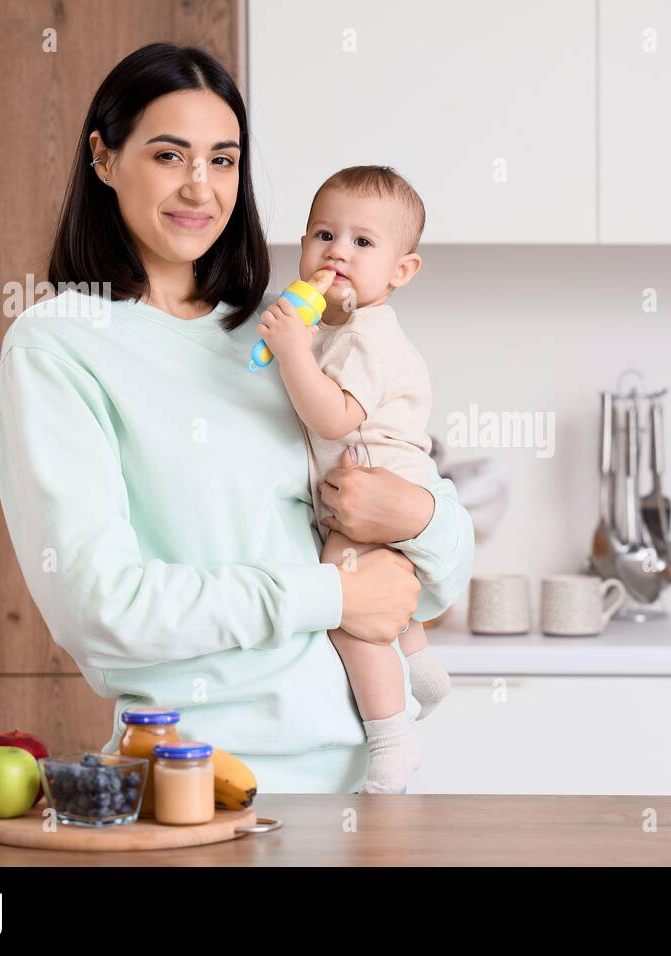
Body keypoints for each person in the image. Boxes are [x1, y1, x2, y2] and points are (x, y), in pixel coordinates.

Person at [0, 43, 473, 794]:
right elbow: (101, 608)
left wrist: (416, 512)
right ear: (104, 157)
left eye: (223, 160)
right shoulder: (58, 345)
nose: (199, 186)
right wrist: (335, 595)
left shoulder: (278, 335)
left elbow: (437, 576)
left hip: (374, 776)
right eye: (168, 154)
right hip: (206, 782)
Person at [257, 165, 452, 794]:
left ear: (402, 271)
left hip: (377, 479)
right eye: (323, 234)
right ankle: (422, 670)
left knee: (347, 601)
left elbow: (335, 414)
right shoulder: (337, 327)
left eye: (362, 243)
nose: (337, 251)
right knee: (379, 588)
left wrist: (291, 352)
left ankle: (393, 738)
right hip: (359, 481)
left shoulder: (371, 334)